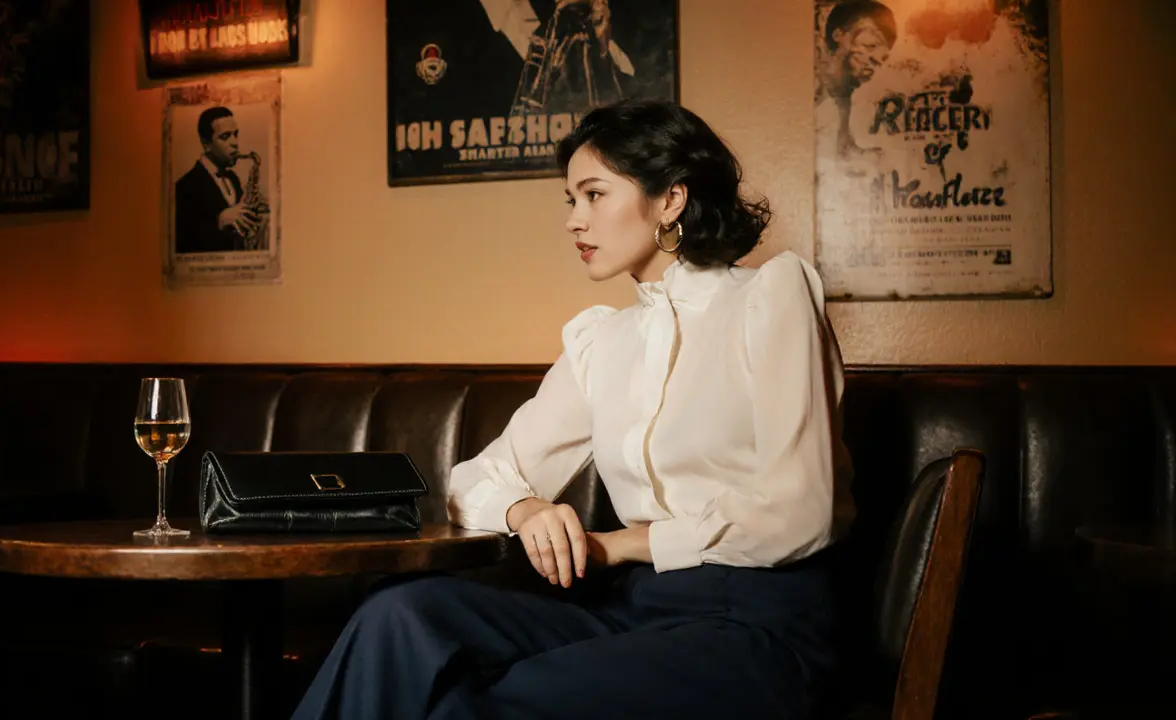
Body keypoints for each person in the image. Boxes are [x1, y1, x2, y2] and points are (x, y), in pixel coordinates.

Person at [291, 98, 854, 720]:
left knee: (474, 705)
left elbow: (800, 514)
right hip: (629, 610)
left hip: (754, 623)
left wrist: (622, 545)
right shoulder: (602, 342)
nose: (573, 221)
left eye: (594, 195)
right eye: (571, 199)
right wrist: (525, 508)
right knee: (398, 614)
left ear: (671, 199)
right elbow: (474, 481)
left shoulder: (770, 298)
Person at [815, 0, 898, 167]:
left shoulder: (845, 96)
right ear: (838, 35)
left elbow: (841, 152)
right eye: (869, 46)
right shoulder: (813, 91)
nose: (877, 60)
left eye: (883, 57)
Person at [173, 106, 261, 254]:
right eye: (225, 136)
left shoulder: (233, 178)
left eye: (235, 134)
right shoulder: (184, 186)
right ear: (206, 144)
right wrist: (219, 222)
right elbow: (182, 243)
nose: (235, 143)